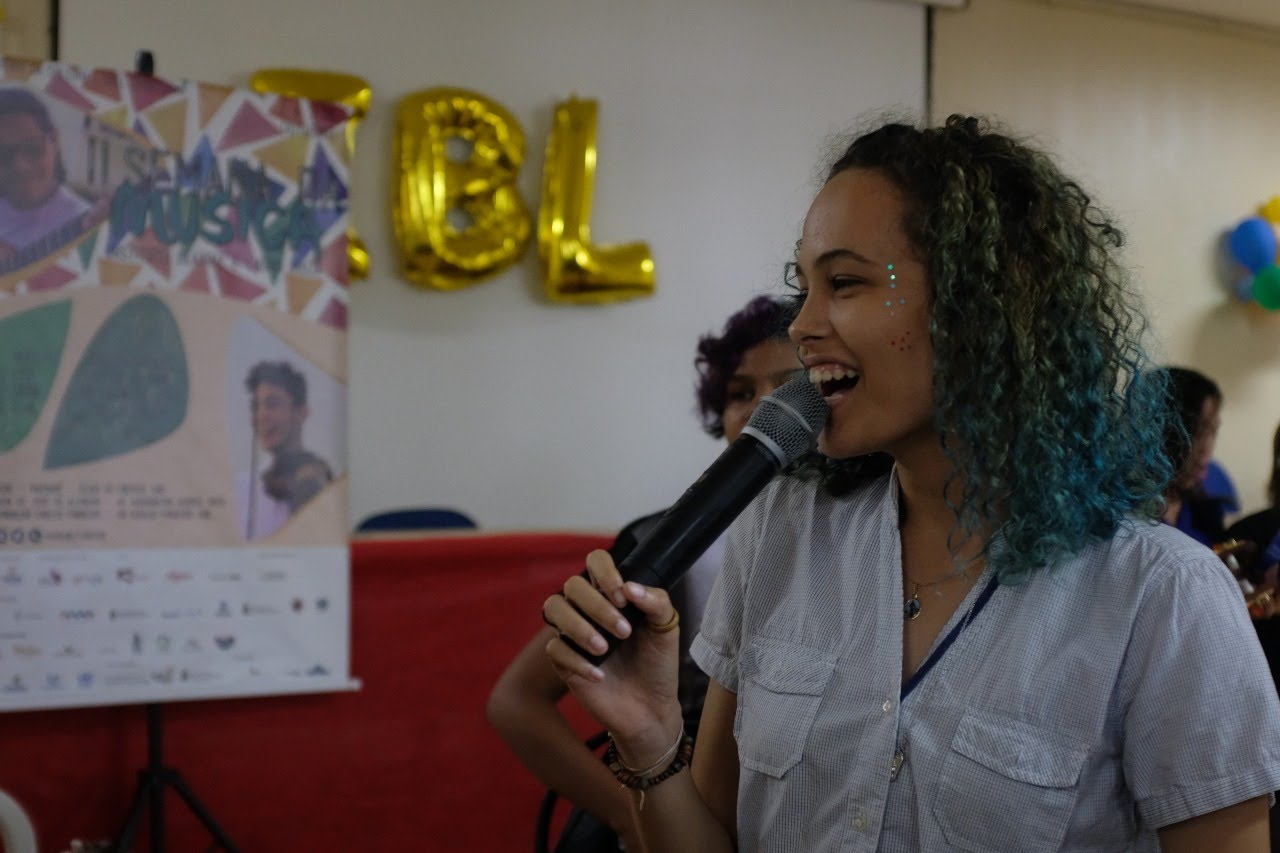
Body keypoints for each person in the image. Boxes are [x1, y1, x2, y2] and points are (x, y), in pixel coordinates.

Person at [542, 115, 1280, 851]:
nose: (802, 325)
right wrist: (649, 737)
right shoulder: (780, 532)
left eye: (845, 283)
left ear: (979, 308)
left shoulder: (1163, 597)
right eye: (804, 287)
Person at [486, 296, 798, 853]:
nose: (761, 408)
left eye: (789, 387)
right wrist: (627, 814)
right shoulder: (663, 542)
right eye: (740, 393)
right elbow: (516, 701)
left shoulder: (882, 537)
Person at [235, 360, 333, 540]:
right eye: (255, 407)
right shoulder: (241, 488)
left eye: (272, 404)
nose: (261, 415)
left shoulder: (327, 486)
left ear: (301, 413)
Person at [0, 88, 89, 256]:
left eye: (32, 148)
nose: (20, 166)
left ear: (54, 140)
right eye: (2, 154)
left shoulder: (86, 224)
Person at [1159, 366, 1229, 547]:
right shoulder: (1120, 516)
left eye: (1213, 431)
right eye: (1197, 432)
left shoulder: (1206, 514)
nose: (1206, 448)